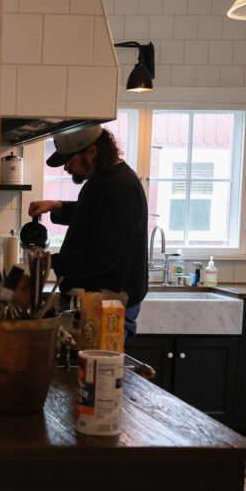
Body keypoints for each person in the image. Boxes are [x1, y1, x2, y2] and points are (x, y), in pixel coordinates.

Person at [28, 125, 148, 342]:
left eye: (70, 160)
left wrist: (52, 261)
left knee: (98, 370)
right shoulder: (104, 180)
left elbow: (103, 256)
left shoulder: (119, 188)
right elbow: (93, 215)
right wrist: (56, 206)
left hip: (109, 306)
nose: (66, 167)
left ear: (92, 151)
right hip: (98, 302)